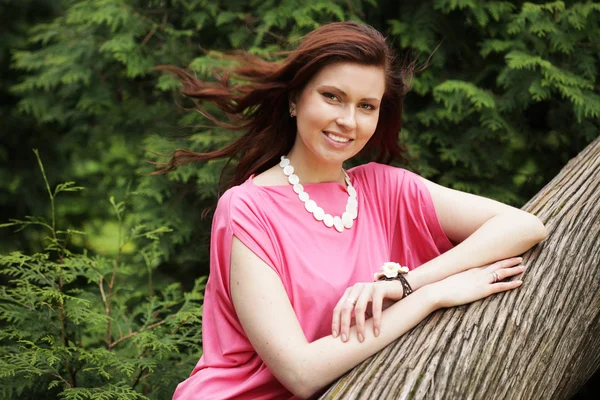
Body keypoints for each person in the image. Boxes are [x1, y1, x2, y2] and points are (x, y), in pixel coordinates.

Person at [159, 21, 547, 400]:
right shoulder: (247, 208)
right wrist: (430, 297)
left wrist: (407, 284)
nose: (348, 121)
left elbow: (523, 226)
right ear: (295, 100)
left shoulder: (386, 188)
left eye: (366, 106)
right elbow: (301, 373)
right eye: (332, 97)